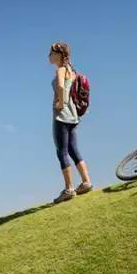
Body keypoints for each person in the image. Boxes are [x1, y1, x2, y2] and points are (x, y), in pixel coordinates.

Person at [48, 42, 92, 204]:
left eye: (51, 53)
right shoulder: (72, 71)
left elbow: (60, 86)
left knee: (62, 151)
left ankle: (69, 189)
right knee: (73, 149)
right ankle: (86, 182)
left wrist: (60, 102)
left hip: (62, 115)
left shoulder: (60, 70)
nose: (49, 56)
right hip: (73, 116)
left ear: (59, 55)